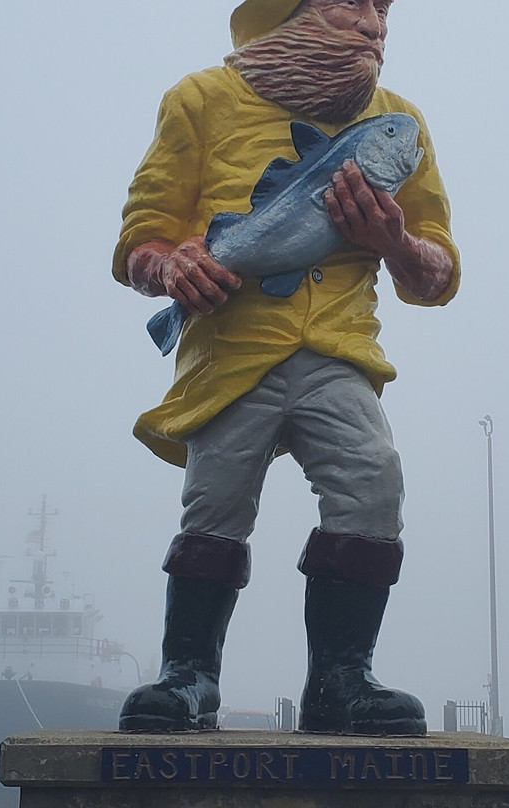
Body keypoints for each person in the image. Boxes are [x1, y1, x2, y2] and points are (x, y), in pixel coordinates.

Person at [112, 0, 459, 735]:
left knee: (373, 482)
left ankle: (342, 679)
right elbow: (141, 237)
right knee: (216, 502)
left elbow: (438, 273)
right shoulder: (199, 100)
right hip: (230, 353)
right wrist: (170, 265)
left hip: (339, 352)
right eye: (350, 4)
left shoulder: (403, 122)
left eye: (381, 8)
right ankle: (189, 674)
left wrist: (396, 242)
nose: (373, 24)